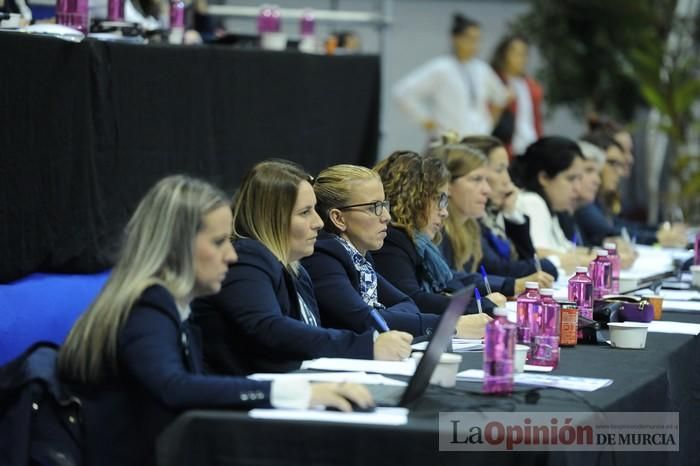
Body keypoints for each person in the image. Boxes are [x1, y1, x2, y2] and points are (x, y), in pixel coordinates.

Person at [57, 175, 373, 466]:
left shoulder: (173, 305)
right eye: (219, 242)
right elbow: (174, 388)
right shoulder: (147, 306)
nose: (232, 256)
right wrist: (294, 392)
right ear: (178, 243)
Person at [192, 160, 413, 376]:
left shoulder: (297, 271)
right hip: (245, 403)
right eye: (305, 212)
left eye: (315, 209)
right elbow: (269, 328)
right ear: (272, 218)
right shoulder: (247, 257)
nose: (318, 222)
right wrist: (366, 346)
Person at [304, 164, 490, 339]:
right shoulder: (322, 258)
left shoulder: (360, 258)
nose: (386, 216)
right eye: (373, 208)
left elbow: (409, 304)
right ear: (338, 218)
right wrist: (450, 324)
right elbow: (365, 320)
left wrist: (384, 315)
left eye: (384, 205)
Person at [372, 150, 505, 316]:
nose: (444, 212)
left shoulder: (420, 243)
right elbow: (414, 300)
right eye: (439, 199)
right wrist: (481, 305)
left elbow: (450, 283)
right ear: (413, 198)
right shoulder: (391, 240)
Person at [428, 140, 553, 296]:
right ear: (447, 185)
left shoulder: (470, 227)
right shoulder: (434, 229)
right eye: (476, 179)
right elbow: (447, 278)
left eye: (486, 180)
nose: (486, 190)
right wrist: (512, 284)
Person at [457, 135, 558, 282]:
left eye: (507, 169)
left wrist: (511, 213)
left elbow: (527, 259)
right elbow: (497, 268)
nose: (508, 179)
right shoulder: (468, 216)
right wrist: (550, 264)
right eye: (499, 170)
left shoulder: (491, 215)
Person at [393, 13, 509, 140]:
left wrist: (488, 124)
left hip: (477, 139)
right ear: (456, 38)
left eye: (477, 39)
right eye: (469, 39)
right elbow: (403, 91)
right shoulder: (442, 67)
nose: (474, 44)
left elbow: (501, 96)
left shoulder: (481, 68)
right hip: (449, 140)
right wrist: (425, 120)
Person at [575, 131, 687, 247]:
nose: (620, 171)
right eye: (613, 163)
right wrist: (657, 237)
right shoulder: (583, 203)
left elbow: (621, 226)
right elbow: (611, 232)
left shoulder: (597, 200)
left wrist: (660, 230)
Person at [510, 137, 593, 273]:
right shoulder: (532, 202)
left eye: (579, 179)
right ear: (543, 178)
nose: (578, 188)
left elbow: (566, 250)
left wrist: (598, 253)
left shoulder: (550, 206)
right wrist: (594, 260)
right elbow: (540, 254)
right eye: (571, 179)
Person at [490, 34, 543, 156]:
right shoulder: (494, 81)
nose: (520, 58)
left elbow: (536, 120)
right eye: (515, 53)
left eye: (524, 54)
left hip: (530, 146)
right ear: (504, 54)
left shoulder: (532, 86)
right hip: (506, 149)